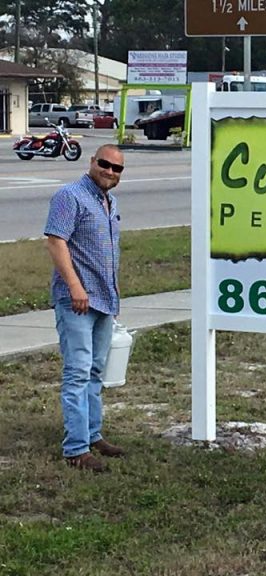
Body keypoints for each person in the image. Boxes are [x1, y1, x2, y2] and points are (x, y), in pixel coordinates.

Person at [45, 144, 127, 473]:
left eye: (117, 168)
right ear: (92, 162)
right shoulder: (70, 196)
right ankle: (76, 449)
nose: (110, 171)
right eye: (105, 164)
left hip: (105, 299)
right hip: (77, 299)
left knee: (95, 371)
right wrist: (76, 286)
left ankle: (93, 435)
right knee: (78, 372)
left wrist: (114, 297)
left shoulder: (110, 201)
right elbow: (55, 240)